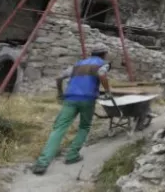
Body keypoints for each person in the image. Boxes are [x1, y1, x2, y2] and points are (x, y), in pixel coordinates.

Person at [31, 42, 113, 175]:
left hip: (70, 99)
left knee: (59, 128)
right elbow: (102, 75)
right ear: (104, 54)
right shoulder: (102, 63)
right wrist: (108, 92)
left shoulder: (78, 64)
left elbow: (59, 78)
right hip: (87, 99)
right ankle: (72, 155)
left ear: (91, 53)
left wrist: (60, 93)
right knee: (84, 127)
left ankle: (42, 163)